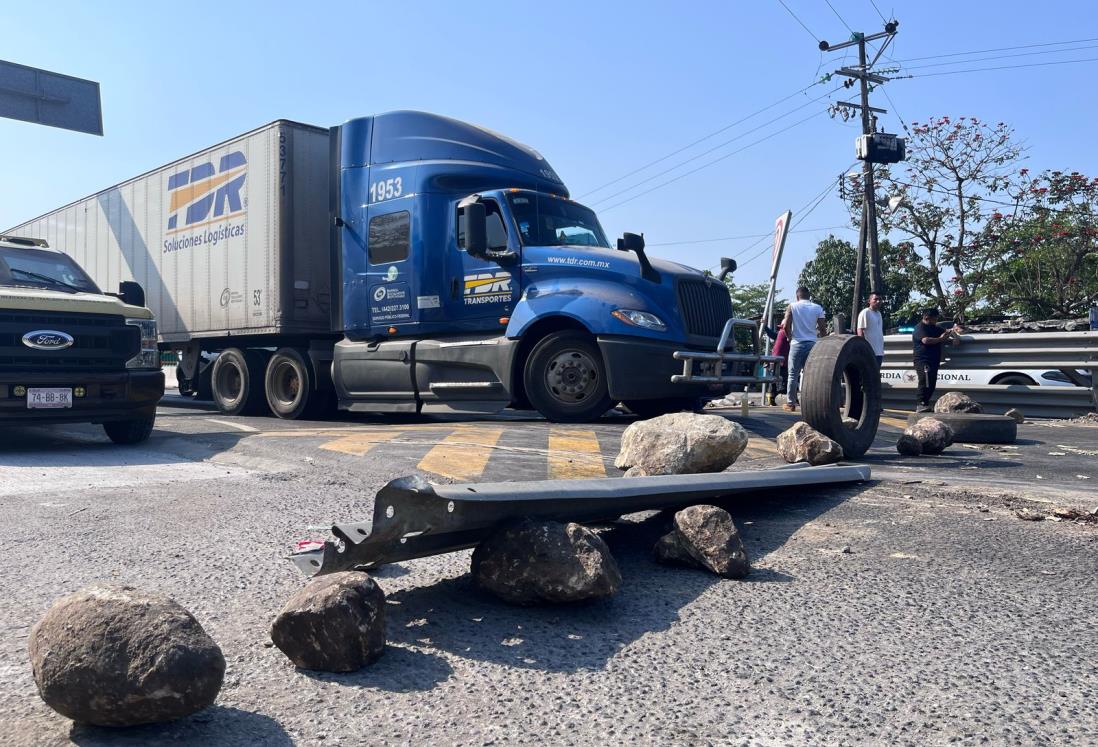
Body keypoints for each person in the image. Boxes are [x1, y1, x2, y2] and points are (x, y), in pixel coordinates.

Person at [781, 286, 826, 412]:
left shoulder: (792, 306)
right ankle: (810, 403)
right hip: (812, 344)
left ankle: (791, 404)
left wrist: (790, 338)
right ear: (809, 296)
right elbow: (822, 328)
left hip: (797, 344)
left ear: (797, 296)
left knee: (792, 374)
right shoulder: (817, 307)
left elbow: (785, 326)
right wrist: (823, 342)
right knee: (810, 375)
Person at [912, 307, 963, 412]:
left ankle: (926, 403)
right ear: (927, 318)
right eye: (934, 319)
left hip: (934, 360)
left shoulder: (934, 327)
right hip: (923, 360)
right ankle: (921, 404)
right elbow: (926, 340)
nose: (936, 321)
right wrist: (941, 339)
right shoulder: (920, 328)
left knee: (932, 382)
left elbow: (948, 331)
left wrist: (955, 337)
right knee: (924, 381)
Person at [761, 323, 789, 406]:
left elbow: (771, 334)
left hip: (775, 361)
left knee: (773, 381)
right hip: (782, 362)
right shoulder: (786, 333)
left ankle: (772, 399)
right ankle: (778, 397)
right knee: (783, 381)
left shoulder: (780, 333)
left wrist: (765, 326)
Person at [857, 292, 886, 367]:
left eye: (880, 299)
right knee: (869, 376)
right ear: (869, 301)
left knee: (876, 376)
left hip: (879, 351)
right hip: (869, 351)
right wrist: (864, 348)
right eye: (875, 299)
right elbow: (860, 330)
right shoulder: (865, 312)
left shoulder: (879, 314)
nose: (878, 301)